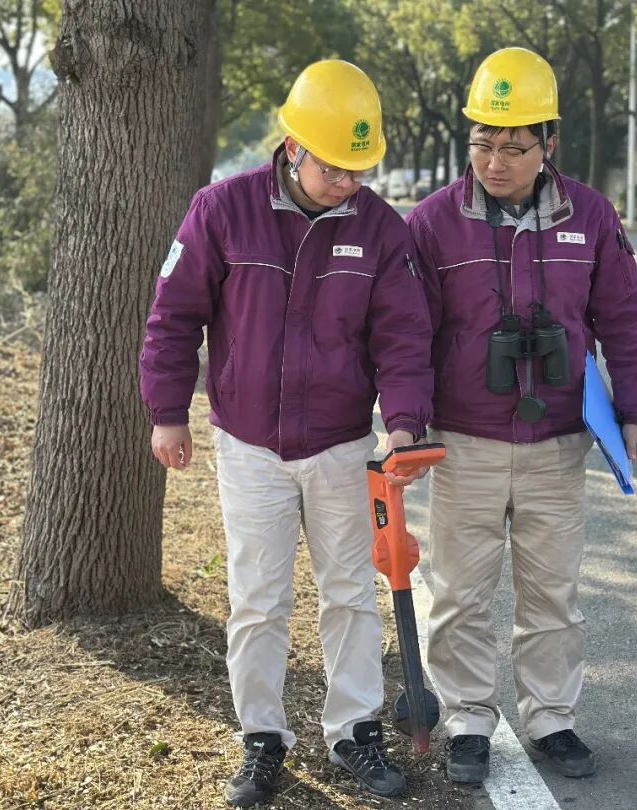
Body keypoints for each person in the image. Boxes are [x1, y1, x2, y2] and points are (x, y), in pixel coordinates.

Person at [139, 60, 433, 806]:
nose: (347, 183)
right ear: (294, 146)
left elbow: (403, 335)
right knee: (258, 599)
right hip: (250, 446)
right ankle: (262, 738)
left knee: (350, 595)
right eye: (335, 167)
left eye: (360, 169)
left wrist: (404, 424)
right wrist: (167, 411)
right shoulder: (222, 210)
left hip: (341, 443)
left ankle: (355, 730)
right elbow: (173, 317)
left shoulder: (381, 229)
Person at [406, 47, 637, 784]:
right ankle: (467, 720)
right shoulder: (433, 223)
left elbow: (625, 316)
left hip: (557, 443)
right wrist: (407, 421)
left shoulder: (591, 216)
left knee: (553, 592)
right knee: (461, 593)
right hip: (465, 443)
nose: (494, 161)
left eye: (513, 147)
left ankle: (551, 718)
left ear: (549, 142)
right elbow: (405, 334)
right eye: (482, 142)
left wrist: (635, 408)